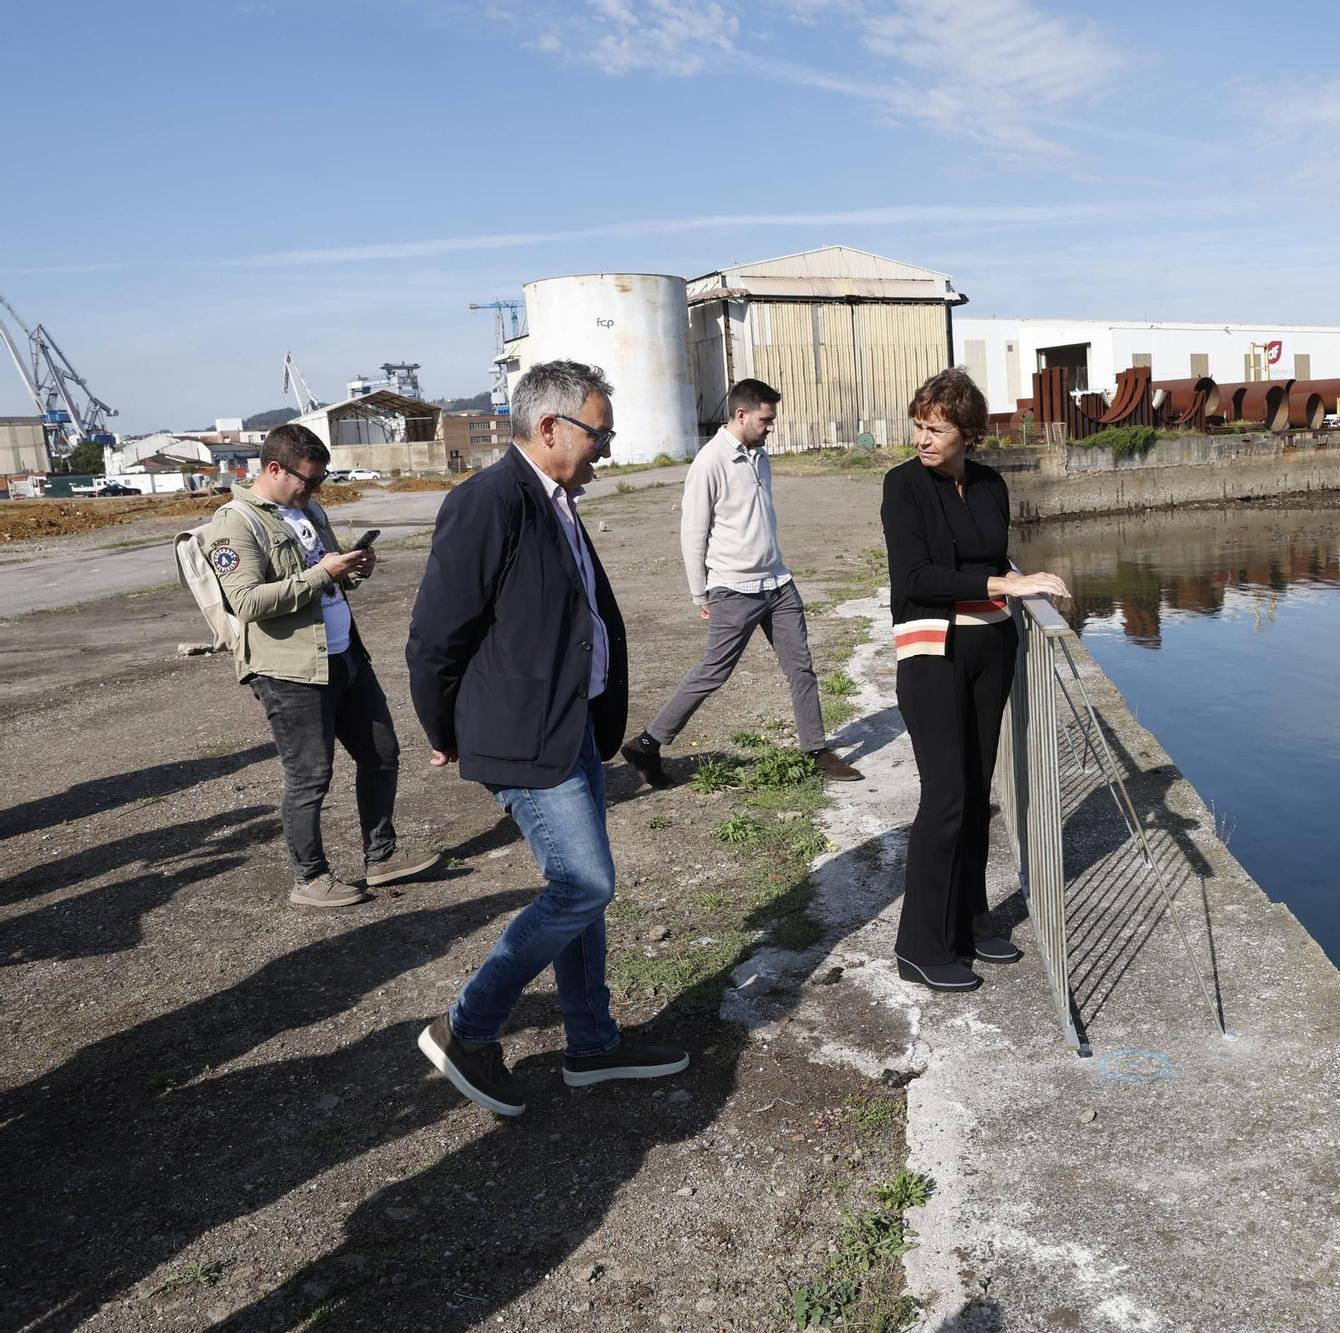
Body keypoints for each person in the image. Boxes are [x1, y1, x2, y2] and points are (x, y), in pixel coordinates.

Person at [407, 360, 686, 1117]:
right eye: (601, 433)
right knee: (584, 885)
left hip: (571, 726)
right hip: (521, 734)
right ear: (552, 427)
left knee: (580, 894)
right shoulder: (488, 501)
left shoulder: (555, 498)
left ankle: (592, 1043)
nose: (608, 447)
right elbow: (434, 636)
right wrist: (444, 729)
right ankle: (466, 1029)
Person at [880, 368, 1069, 992]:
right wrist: (1006, 584)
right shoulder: (903, 486)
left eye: (936, 429)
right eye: (919, 426)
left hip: (992, 647)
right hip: (933, 652)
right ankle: (919, 945)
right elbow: (915, 577)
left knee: (977, 792)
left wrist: (1017, 580)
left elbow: (992, 554)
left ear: (968, 433)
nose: (922, 439)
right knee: (946, 795)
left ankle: (969, 921)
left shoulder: (990, 484)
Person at [211, 424, 438, 908]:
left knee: (381, 754)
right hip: (291, 670)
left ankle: (381, 857)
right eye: (308, 480)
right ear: (275, 469)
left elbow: (328, 577)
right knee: (310, 776)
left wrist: (352, 570)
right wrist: (322, 573)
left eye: (320, 481)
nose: (314, 489)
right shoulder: (235, 522)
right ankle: (310, 878)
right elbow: (246, 602)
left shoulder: (309, 510)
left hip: (345, 653)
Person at [621, 378, 862, 786]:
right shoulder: (709, 462)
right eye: (766, 420)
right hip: (734, 588)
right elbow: (693, 532)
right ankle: (647, 744)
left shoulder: (760, 455)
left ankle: (817, 750)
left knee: (801, 668)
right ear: (741, 415)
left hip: (778, 583)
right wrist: (699, 591)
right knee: (714, 671)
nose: (771, 427)